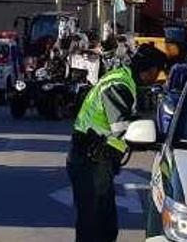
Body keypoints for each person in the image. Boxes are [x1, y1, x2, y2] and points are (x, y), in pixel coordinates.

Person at [67, 53, 162, 242]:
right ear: (150, 70)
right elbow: (121, 127)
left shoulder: (123, 78)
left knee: (105, 226)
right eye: (157, 72)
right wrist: (156, 139)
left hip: (96, 161)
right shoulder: (119, 85)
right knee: (94, 227)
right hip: (91, 161)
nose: (157, 77)